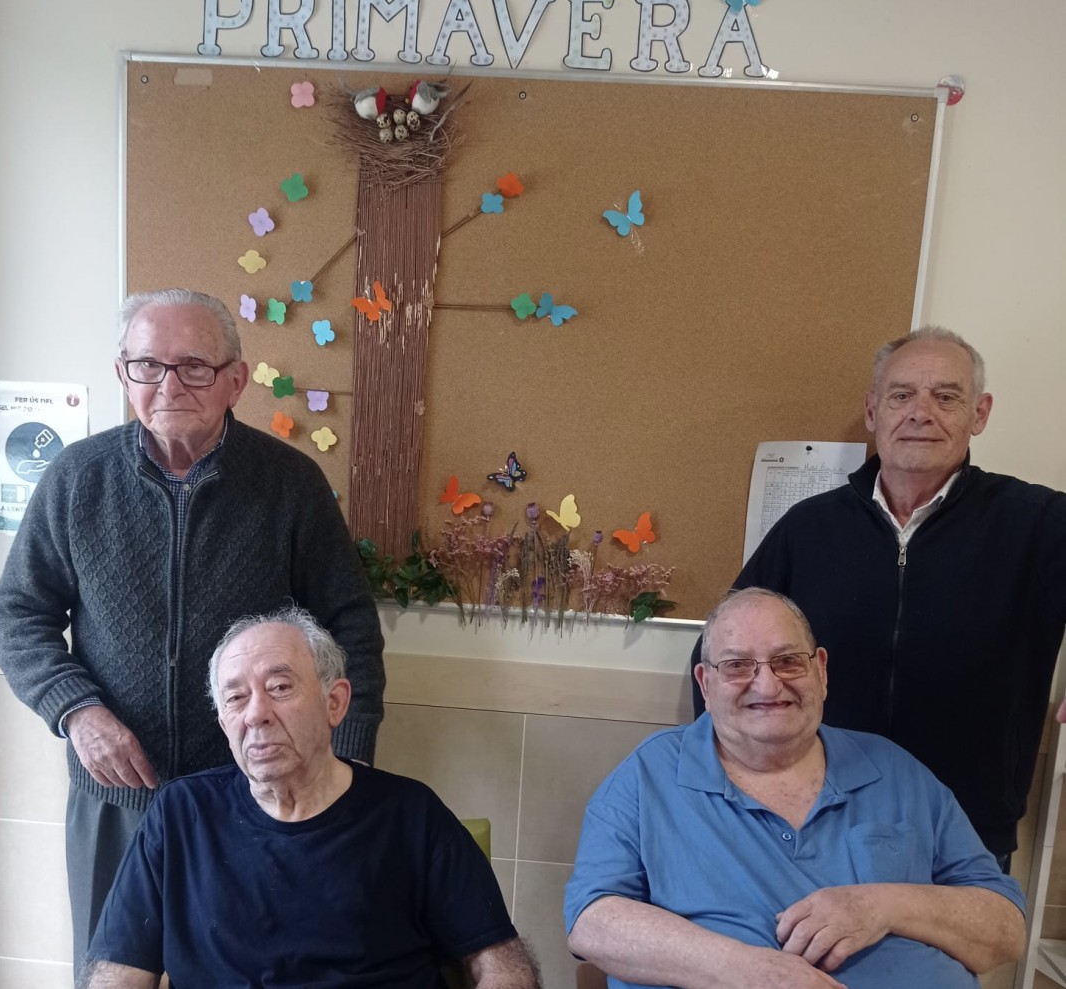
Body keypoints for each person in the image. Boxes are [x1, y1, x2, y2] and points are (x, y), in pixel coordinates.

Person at [0, 288, 385, 972]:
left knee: (250, 969)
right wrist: (77, 712)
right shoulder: (76, 478)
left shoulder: (290, 483)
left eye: (195, 366)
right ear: (123, 374)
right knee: (111, 970)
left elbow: (349, 624)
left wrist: (346, 764)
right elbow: (18, 614)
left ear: (236, 379)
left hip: (253, 794)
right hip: (116, 798)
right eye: (148, 365)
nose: (169, 385)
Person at [689, 326, 1066, 862]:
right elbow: (720, 647)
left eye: (946, 397)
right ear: (872, 411)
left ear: (979, 414)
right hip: (815, 823)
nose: (920, 413)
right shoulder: (809, 528)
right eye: (901, 395)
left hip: (966, 830)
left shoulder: (1037, 522)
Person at [567, 588, 1026, 989]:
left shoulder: (896, 771)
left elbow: (1005, 931)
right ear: (706, 684)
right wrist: (747, 972)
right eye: (738, 665)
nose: (768, 685)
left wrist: (881, 905)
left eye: (788, 660)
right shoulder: (648, 776)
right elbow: (593, 922)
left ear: (820, 671)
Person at [82, 608, 539, 988]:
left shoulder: (411, 814)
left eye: (280, 688)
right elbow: (117, 973)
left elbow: (504, 966)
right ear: (223, 723)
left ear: (334, 703)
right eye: (235, 698)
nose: (256, 714)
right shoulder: (180, 815)